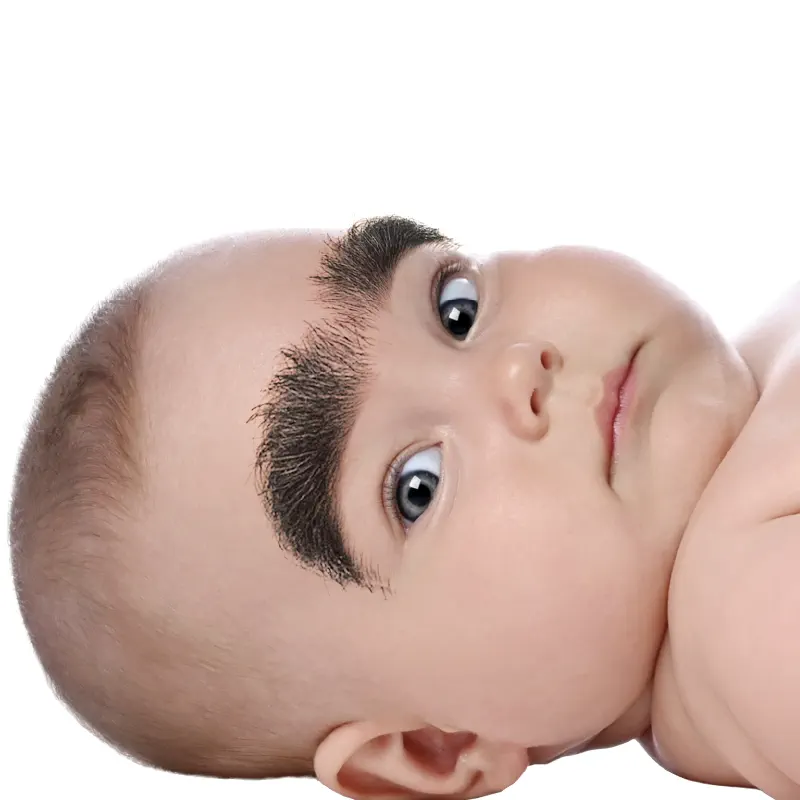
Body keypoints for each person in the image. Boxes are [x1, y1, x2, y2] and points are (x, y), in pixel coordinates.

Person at [8, 215, 798, 798]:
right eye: (417, 486)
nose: (518, 371)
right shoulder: (750, 623)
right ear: (433, 747)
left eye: (456, 309)